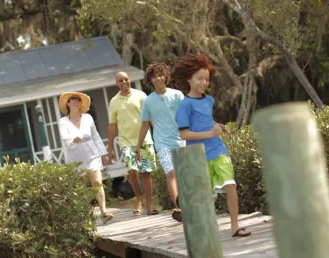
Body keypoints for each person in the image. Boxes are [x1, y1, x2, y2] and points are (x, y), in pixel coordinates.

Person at [172, 53, 251, 238]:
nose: (203, 82)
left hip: (218, 149)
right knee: (207, 197)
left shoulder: (209, 100)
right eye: (199, 78)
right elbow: (183, 134)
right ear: (189, 79)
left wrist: (220, 127)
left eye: (206, 79)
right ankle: (196, 223)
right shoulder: (184, 106)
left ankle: (235, 226)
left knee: (230, 185)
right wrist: (209, 133)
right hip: (198, 156)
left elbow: (207, 122)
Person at [136, 63, 186, 222]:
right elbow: (145, 124)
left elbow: (186, 115)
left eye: (160, 75)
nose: (158, 78)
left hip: (181, 140)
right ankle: (179, 207)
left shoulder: (177, 95)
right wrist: (138, 147)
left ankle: (190, 203)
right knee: (170, 173)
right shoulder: (148, 101)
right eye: (154, 76)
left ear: (166, 76)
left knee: (185, 174)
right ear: (150, 79)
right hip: (162, 142)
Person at [57, 92, 114, 224]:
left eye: (78, 99)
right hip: (75, 157)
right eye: (73, 100)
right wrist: (73, 139)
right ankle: (84, 216)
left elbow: (95, 136)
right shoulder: (63, 122)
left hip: (91, 154)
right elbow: (64, 137)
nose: (76, 101)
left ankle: (104, 212)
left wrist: (103, 153)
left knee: (97, 182)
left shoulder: (88, 118)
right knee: (80, 187)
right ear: (68, 103)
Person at [107, 72, 157, 216]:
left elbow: (150, 116)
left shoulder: (141, 95)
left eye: (126, 79)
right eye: (120, 80)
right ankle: (138, 199)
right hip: (126, 142)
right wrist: (110, 147)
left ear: (130, 80)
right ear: (117, 84)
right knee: (132, 171)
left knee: (147, 172)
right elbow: (112, 126)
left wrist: (157, 134)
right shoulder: (114, 101)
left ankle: (149, 204)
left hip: (145, 140)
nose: (124, 82)